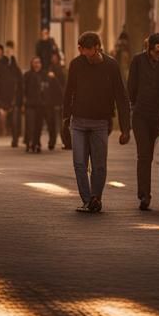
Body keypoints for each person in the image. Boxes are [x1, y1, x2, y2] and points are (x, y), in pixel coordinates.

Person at [62, 31, 131, 213]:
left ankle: (96, 197)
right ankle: (87, 200)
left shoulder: (111, 65)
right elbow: (68, 92)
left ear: (97, 48)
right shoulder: (76, 64)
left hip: (101, 122)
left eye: (88, 51)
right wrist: (65, 118)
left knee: (99, 165)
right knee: (79, 163)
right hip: (78, 122)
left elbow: (121, 97)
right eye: (82, 50)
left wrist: (125, 128)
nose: (85, 55)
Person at [128, 33, 159, 211]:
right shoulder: (138, 61)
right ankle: (144, 195)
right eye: (158, 47)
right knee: (144, 156)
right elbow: (131, 85)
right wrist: (134, 104)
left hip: (158, 117)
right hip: (140, 116)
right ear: (151, 47)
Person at [22, 57, 50, 153]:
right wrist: (23, 103)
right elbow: (23, 89)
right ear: (31, 64)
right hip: (30, 104)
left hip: (41, 105)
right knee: (30, 124)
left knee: (38, 125)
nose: (37, 64)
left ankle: (36, 143)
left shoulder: (44, 75)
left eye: (38, 62)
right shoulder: (27, 75)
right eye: (35, 62)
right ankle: (30, 142)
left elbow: (47, 88)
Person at [45, 52, 65, 150]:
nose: (53, 58)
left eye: (55, 57)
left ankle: (64, 141)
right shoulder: (49, 69)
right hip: (49, 101)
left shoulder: (61, 70)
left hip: (58, 100)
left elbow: (62, 86)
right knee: (51, 122)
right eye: (52, 57)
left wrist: (54, 78)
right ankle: (52, 141)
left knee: (59, 122)